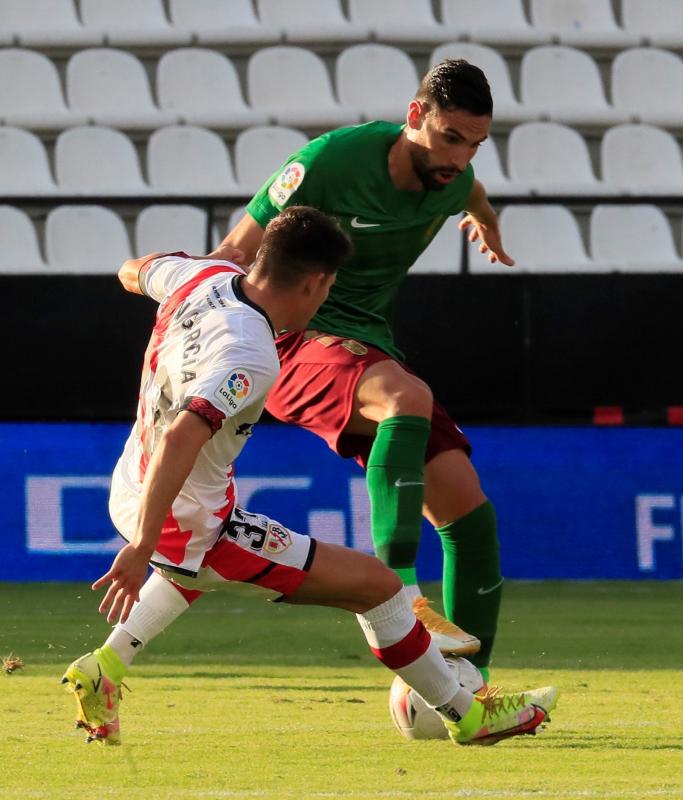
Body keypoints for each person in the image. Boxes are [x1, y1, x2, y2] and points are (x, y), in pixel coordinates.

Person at [62, 206, 556, 747]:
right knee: (380, 589)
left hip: (136, 481)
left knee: (189, 572)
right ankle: (467, 714)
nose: (325, 303)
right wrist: (143, 544)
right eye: (327, 290)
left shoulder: (199, 275)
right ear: (316, 282)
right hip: (182, 517)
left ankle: (104, 666)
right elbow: (183, 436)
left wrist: (175, 270)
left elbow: (133, 269)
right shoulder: (250, 353)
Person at [211, 59, 512, 680]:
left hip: (369, 351)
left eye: (475, 143)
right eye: (450, 137)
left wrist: (484, 217)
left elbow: (470, 191)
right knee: (406, 397)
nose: (460, 156)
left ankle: (469, 690)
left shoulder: (454, 178)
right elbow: (235, 250)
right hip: (294, 339)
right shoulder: (332, 161)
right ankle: (401, 594)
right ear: (413, 117)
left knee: (470, 516)